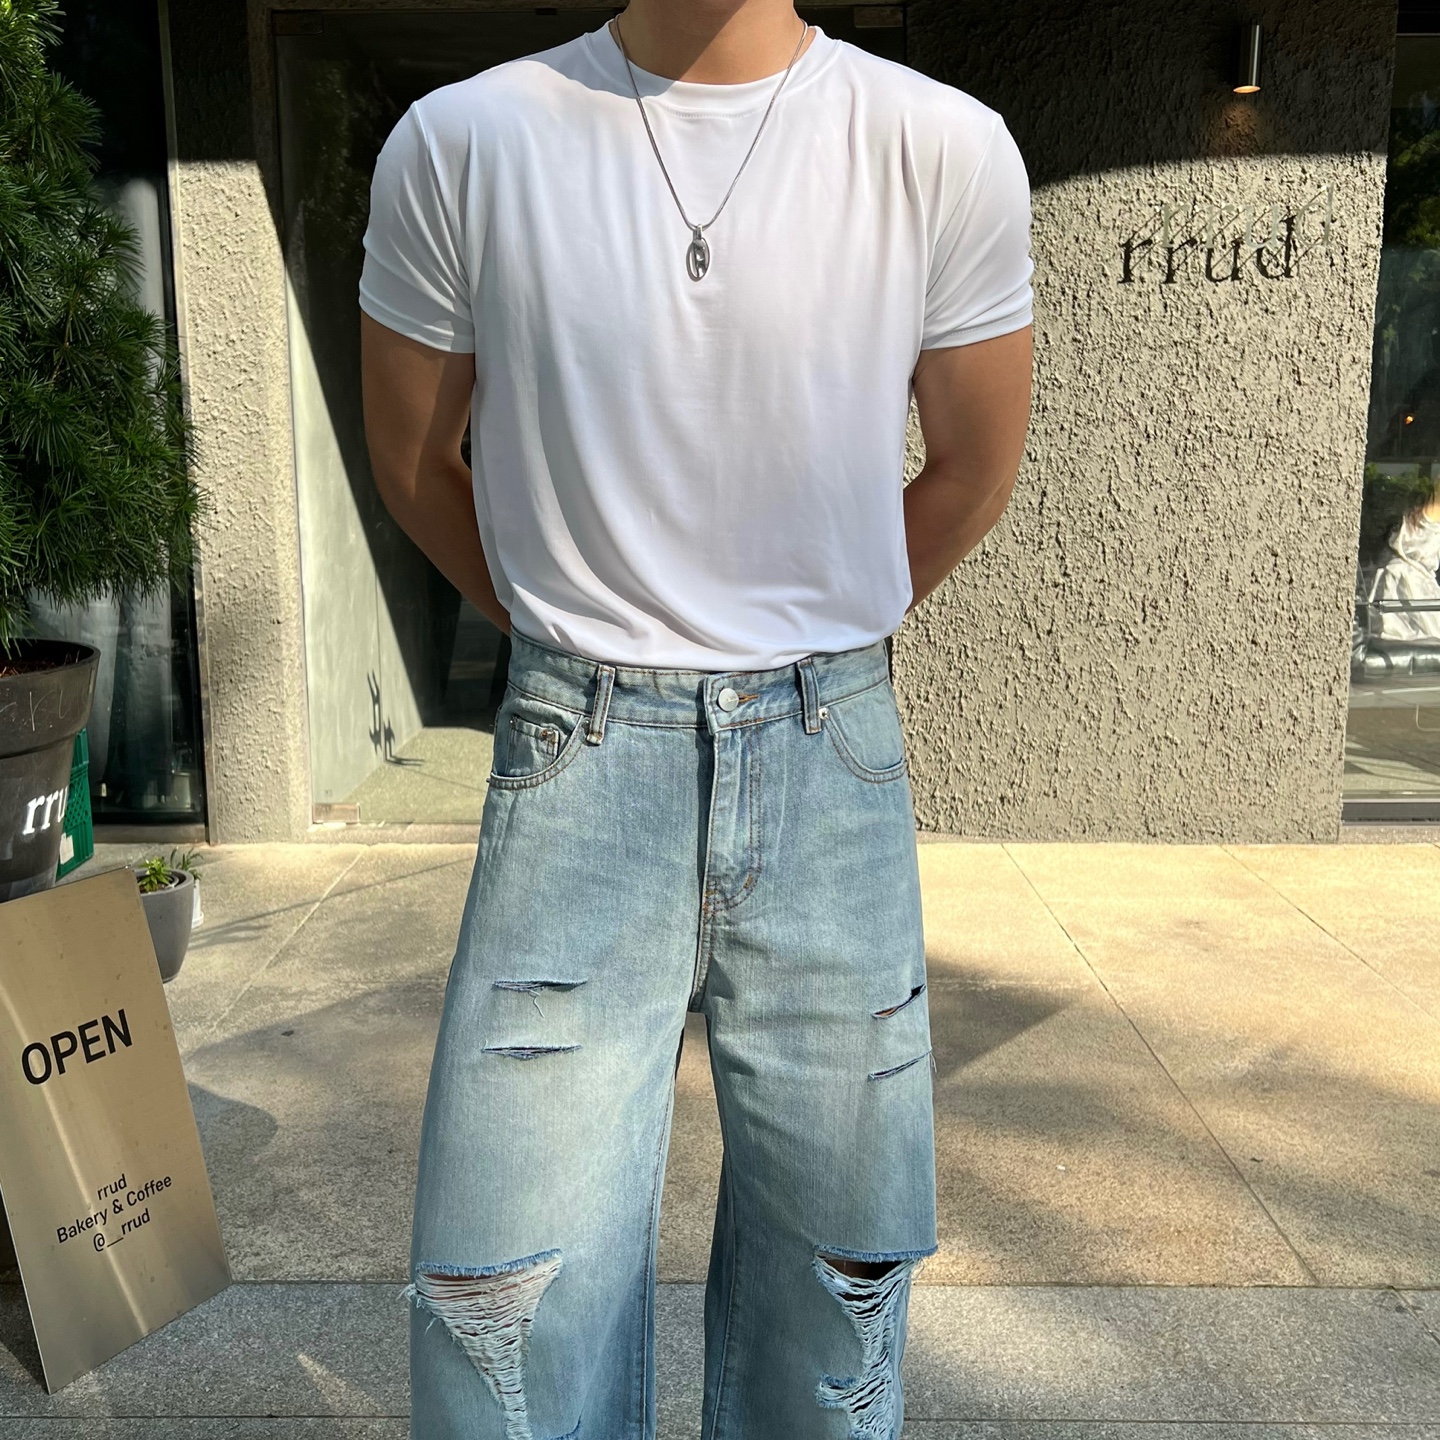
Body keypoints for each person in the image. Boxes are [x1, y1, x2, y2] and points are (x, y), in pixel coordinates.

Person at [358, 0, 1033, 1433]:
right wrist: (574, 629)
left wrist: (816, 638)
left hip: (828, 759)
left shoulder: (938, 144)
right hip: (582, 755)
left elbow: (975, 466)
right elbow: (416, 461)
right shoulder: (467, 141)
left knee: (839, 1292)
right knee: (502, 1294)